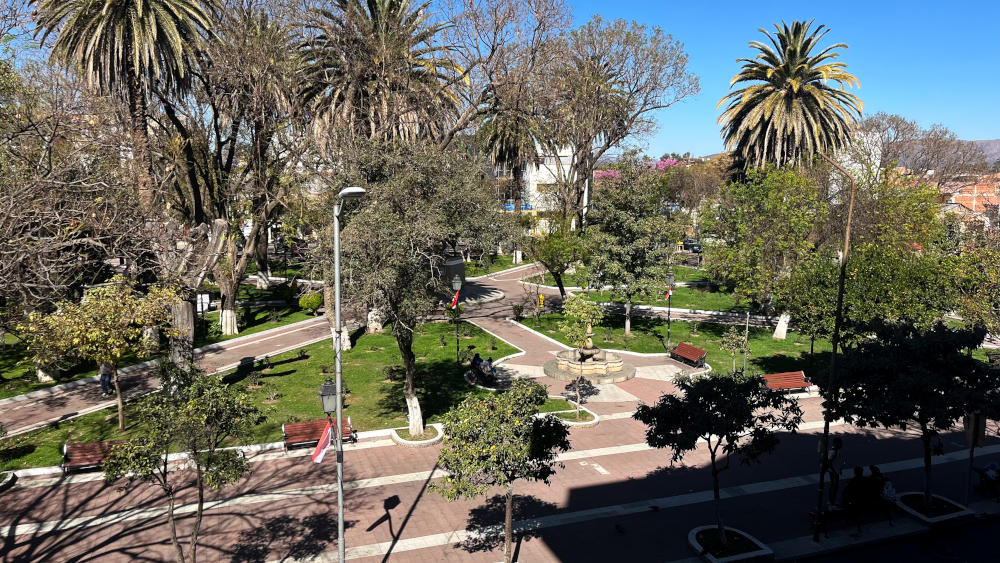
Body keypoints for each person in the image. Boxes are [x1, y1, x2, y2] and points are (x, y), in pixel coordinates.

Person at [822, 437, 844, 507]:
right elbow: (829, 462)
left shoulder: (836, 451)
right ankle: (831, 502)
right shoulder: (833, 451)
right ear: (836, 444)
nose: (841, 445)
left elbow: (836, 462)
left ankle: (832, 501)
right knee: (834, 486)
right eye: (840, 444)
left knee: (835, 486)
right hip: (834, 472)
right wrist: (834, 471)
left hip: (835, 471)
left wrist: (839, 470)